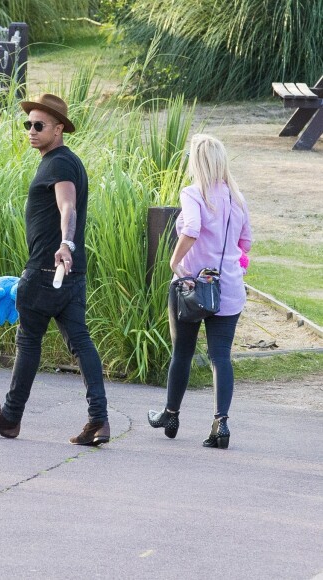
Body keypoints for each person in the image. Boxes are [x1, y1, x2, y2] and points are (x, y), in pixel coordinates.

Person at [0, 94, 110, 446]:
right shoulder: (65, 161)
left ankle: (10, 417)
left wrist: (66, 244)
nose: (31, 130)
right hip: (70, 276)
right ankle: (99, 420)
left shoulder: (59, 164)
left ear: (59, 129)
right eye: (27, 124)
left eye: (39, 125)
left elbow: (68, 207)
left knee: (29, 341)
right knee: (80, 342)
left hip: (48, 269)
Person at [148, 134, 252, 449]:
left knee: (183, 352)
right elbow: (245, 243)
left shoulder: (193, 194)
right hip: (229, 288)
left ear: (197, 162)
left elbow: (191, 229)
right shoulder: (238, 199)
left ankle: (171, 413)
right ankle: (221, 423)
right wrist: (235, 269)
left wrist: (174, 261)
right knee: (221, 356)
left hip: (194, 286)